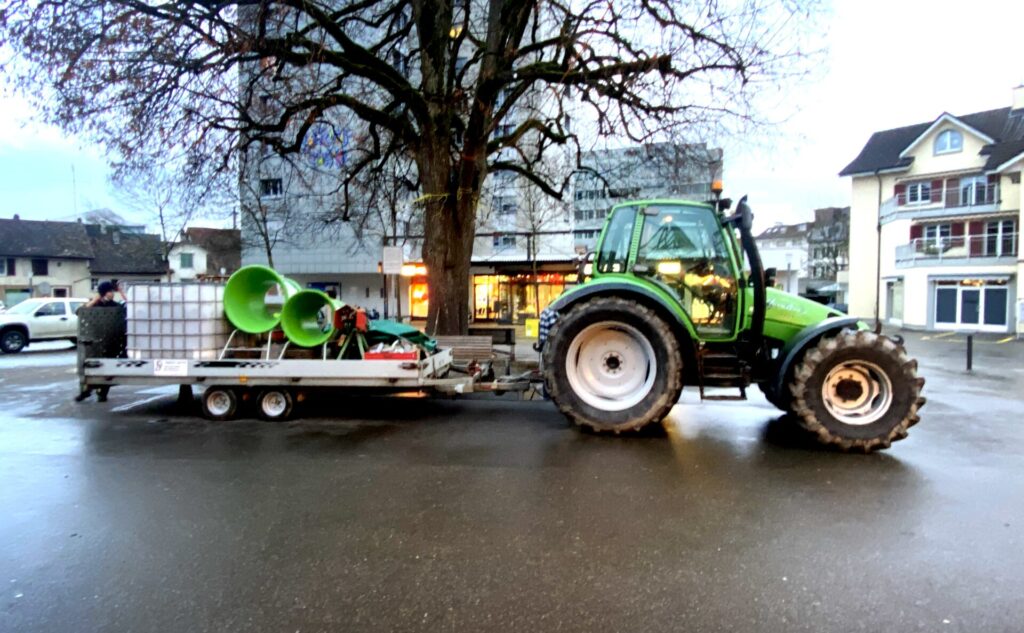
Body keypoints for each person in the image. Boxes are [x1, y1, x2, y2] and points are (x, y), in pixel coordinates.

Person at [75, 281, 126, 402]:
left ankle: (102, 393)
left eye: (112, 292)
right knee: (89, 367)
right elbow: (79, 312)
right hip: (94, 340)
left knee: (107, 366)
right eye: (109, 292)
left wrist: (122, 292)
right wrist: (94, 300)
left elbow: (128, 307)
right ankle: (86, 390)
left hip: (110, 340)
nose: (111, 294)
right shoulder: (94, 305)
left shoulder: (115, 306)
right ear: (103, 293)